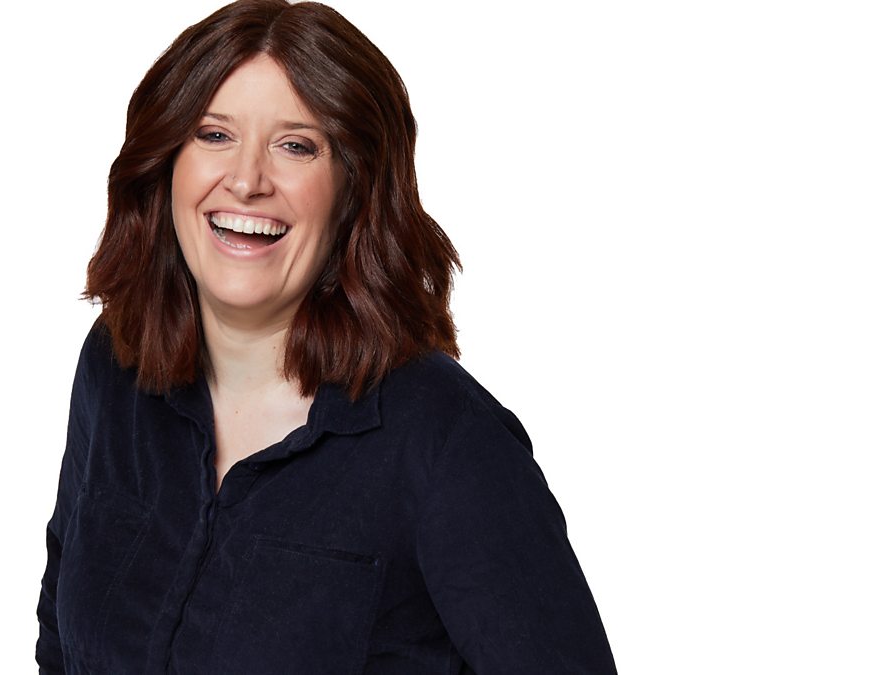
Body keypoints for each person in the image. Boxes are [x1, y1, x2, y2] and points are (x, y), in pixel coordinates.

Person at [36, 1, 616, 672]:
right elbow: (61, 630)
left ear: (354, 188)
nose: (246, 181)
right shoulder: (116, 362)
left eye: (296, 145)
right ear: (165, 162)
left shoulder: (448, 442)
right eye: (214, 134)